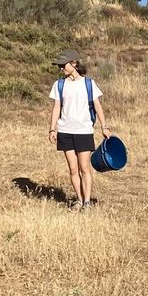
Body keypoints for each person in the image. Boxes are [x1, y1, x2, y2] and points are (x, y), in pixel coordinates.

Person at [47, 51, 110, 210]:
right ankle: (79, 200)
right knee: (73, 169)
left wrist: (104, 127)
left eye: (64, 65)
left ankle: (87, 203)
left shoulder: (89, 84)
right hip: (65, 131)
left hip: (84, 131)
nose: (62, 69)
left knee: (84, 168)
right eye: (60, 66)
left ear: (74, 64)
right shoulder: (59, 85)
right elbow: (56, 108)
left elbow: (97, 106)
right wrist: (52, 129)